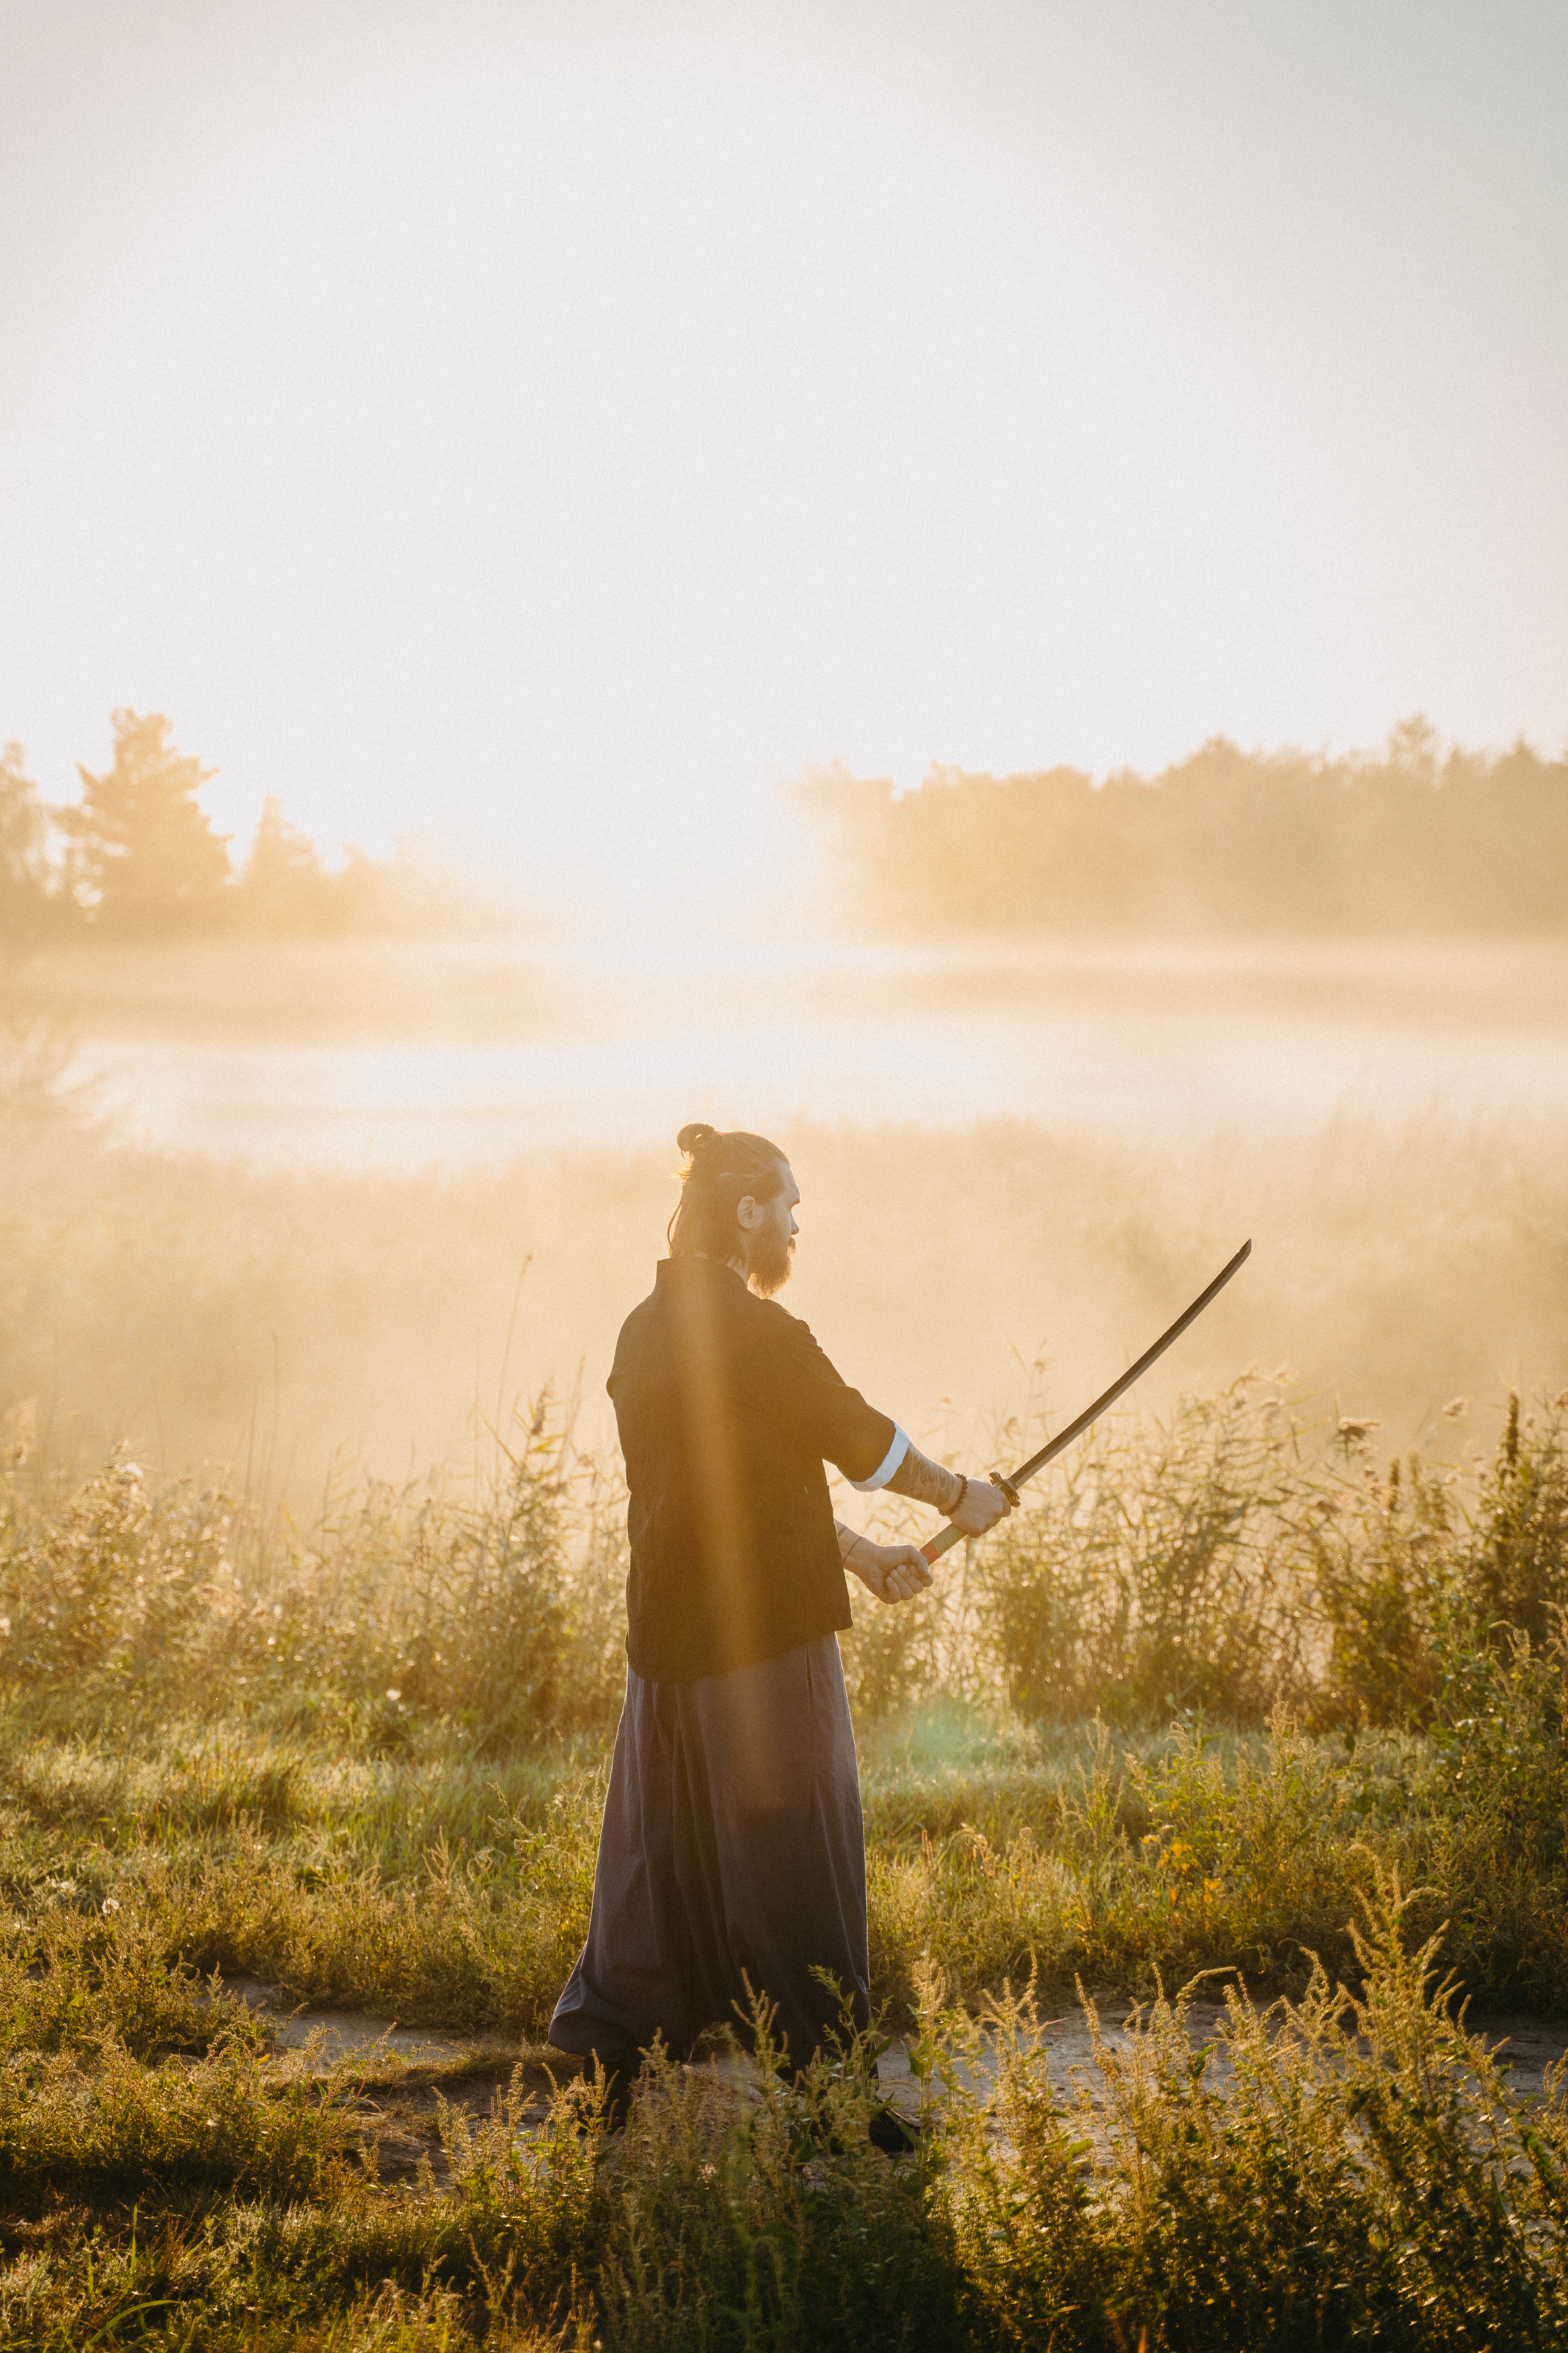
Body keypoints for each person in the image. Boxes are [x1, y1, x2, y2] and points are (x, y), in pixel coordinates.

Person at [547, 1122, 1012, 2106]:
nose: (795, 1227)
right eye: (788, 1208)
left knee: (657, 1856)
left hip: (665, 1646)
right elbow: (858, 1438)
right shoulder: (759, 1333)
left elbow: (735, 1486)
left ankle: (614, 2043)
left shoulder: (643, 1329)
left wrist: (861, 1555)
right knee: (798, 1850)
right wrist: (956, 1495)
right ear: (747, 1209)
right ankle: (828, 2073)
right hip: (762, 1644)